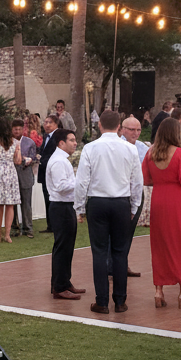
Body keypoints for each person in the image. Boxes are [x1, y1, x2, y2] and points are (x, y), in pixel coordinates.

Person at [74, 110, 144, 314]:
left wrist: (79, 207)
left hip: (98, 202)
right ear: (119, 126)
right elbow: (136, 181)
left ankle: (102, 301)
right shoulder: (129, 149)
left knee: (99, 252)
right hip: (121, 202)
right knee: (120, 253)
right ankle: (120, 301)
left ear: (100, 125)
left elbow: (82, 181)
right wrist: (134, 205)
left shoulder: (91, 148)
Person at [142, 118, 181, 308]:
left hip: (159, 200)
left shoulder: (150, 153)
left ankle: (158, 291)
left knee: (160, 245)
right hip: (178, 201)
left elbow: (146, 179)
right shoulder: (180, 153)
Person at [44, 129, 83, 300]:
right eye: (72, 140)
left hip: (65, 206)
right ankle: (59, 287)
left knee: (67, 247)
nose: (75, 143)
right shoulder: (59, 161)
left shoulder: (61, 160)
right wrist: (80, 182)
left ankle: (64, 282)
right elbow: (60, 186)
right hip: (61, 207)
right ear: (61, 143)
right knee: (63, 247)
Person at [119, 116, 149, 277]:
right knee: (117, 231)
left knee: (129, 231)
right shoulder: (117, 146)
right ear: (122, 129)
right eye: (131, 129)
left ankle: (122, 263)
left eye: (138, 130)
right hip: (120, 194)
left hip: (137, 192)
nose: (135, 133)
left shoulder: (142, 147)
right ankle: (113, 264)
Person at [0, 117, 22, 243]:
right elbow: (18, 161)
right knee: (10, 205)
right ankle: (7, 235)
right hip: (11, 172)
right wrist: (16, 152)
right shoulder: (16, 143)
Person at [12, 119, 40, 238]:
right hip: (12, 175)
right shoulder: (8, 142)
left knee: (26, 203)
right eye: (15, 129)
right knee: (12, 203)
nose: (17, 131)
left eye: (19, 129)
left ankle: (28, 228)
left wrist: (29, 160)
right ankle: (14, 228)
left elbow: (34, 157)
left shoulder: (29, 142)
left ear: (23, 129)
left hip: (25, 174)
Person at [36, 115, 61, 233]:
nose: (46, 125)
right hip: (44, 172)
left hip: (51, 172)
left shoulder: (58, 137)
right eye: (45, 122)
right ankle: (50, 225)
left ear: (56, 124)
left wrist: (42, 160)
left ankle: (55, 225)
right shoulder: (46, 136)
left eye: (49, 122)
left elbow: (54, 155)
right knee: (47, 198)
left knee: (52, 199)